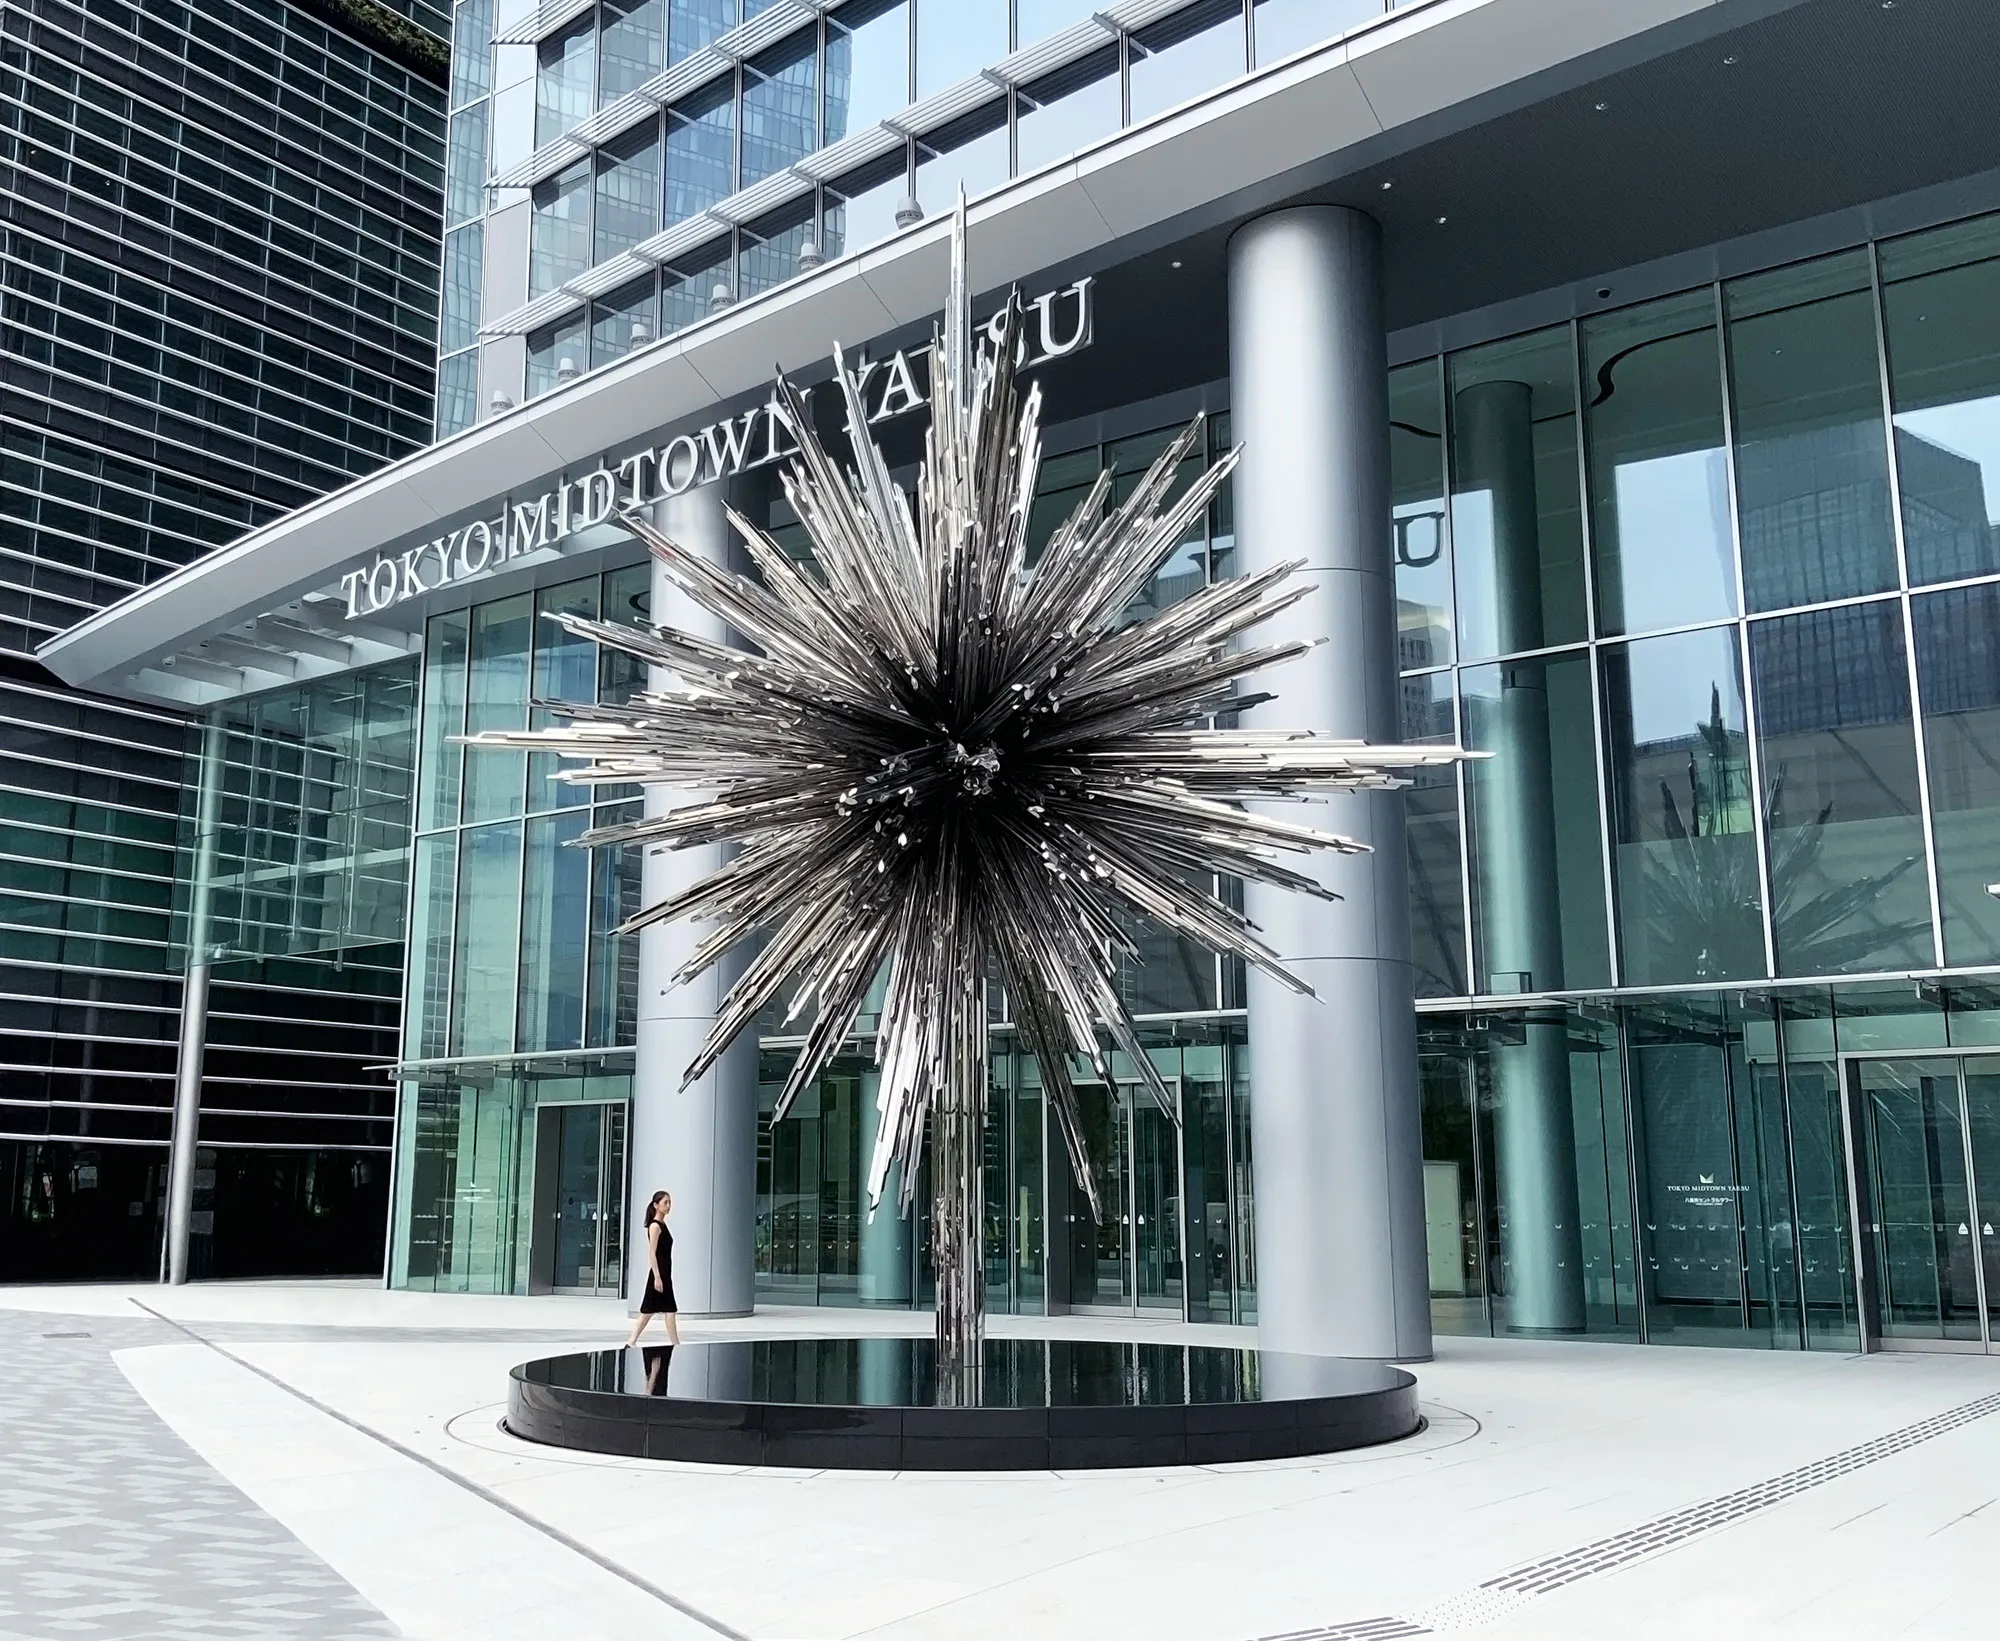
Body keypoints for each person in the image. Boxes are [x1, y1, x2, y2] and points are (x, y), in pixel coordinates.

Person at [624, 1189, 679, 1347]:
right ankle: (674, 1343)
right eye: (665, 1203)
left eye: (669, 1203)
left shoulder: (662, 1224)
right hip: (659, 1273)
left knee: (651, 1310)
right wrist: (657, 1276)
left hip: (664, 1272)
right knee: (665, 1309)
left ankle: (632, 1341)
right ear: (656, 1205)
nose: (668, 1206)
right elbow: (652, 1252)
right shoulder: (655, 1226)